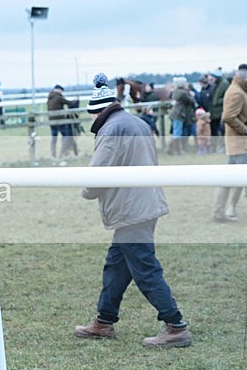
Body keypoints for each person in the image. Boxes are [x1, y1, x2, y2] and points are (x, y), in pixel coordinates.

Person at [75, 73, 191, 348]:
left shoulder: (110, 129)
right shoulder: (135, 122)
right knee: (116, 265)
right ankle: (104, 320)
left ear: (98, 112)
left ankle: (175, 325)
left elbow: (97, 175)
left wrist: (85, 191)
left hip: (131, 209)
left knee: (144, 267)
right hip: (145, 203)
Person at [212, 64, 247, 224]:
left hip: (238, 144)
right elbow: (228, 117)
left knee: (228, 180)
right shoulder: (236, 92)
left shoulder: (237, 89)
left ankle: (219, 212)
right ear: (245, 77)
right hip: (242, 144)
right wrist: (246, 130)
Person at [46, 84, 77, 159]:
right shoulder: (59, 97)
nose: (62, 93)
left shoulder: (49, 97)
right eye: (61, 91)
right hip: (60, 121)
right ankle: (62, 154)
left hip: (51, 122)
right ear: (59, 90)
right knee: (66, 136)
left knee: (54, 138)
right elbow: (70, 103)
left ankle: (53, 155)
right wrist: (75, 99)